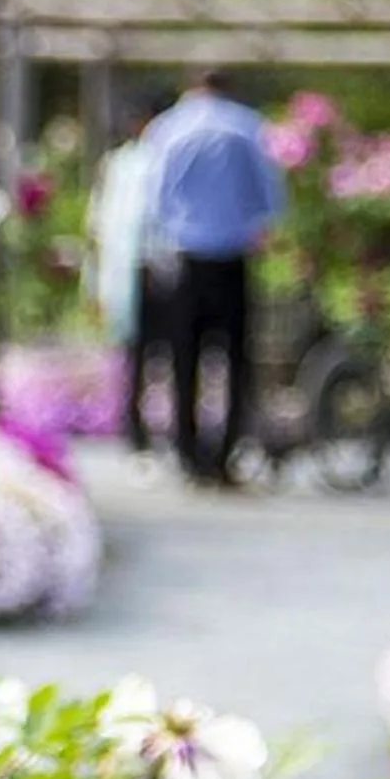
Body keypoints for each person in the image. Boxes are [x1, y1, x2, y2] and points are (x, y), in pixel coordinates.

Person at [144, 69, 285, 486]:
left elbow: (155, 198)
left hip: (185, 255)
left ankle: (187, 452)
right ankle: (225, 452)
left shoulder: (169, 128)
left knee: (183, 358)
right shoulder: (246, 126)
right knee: (236, 359)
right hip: (231, 255)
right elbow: (270, 198)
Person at [85, 88, 171, 463]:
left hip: (161, 267)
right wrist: (95, 279)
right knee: (134, 353)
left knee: (164, 352)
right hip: (126, 269)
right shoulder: (119, 163)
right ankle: (136, 428)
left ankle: (166, 429)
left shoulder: (164, 158)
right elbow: (102, 223)